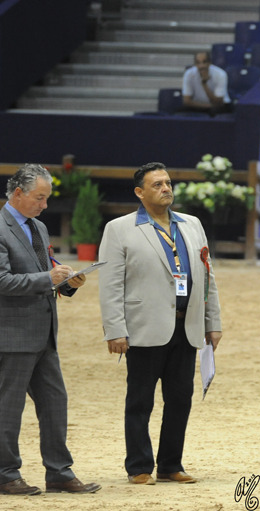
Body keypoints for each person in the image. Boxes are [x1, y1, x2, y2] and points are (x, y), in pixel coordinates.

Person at [0, 164, 101, 495]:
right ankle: (6, 475)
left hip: (43, 332)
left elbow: (46, 274)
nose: (44, 205)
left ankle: (59, 472)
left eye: (46, 198)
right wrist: (49, 278)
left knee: (54, 402)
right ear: (18, 194)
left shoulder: (39, 228)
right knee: (9, 406)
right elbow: (0, 282)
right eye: (40, 198)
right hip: (13, 334)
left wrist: (68, 283)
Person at [99, 162, 223, 485]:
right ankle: (139, 466)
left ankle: (171, 464)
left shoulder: (193, 225)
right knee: (140, 400)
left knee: (180, 398)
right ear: (139, 192)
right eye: (157, 185)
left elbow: (208, 276)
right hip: (143, 328)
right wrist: (115, 329)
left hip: (187, 326)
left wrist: (213, 322)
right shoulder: (119, 229)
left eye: (168, 183)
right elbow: (110, 285)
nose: (166, 188)